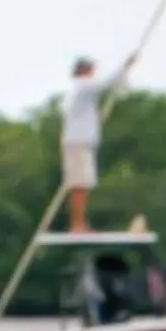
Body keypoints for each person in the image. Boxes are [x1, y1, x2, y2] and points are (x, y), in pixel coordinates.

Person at [60, 51, 137, 233]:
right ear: (83, 70)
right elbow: (107, 83)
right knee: (80, 185)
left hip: (81, 142)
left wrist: (124, 74)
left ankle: (79, 224)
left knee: (83, 184)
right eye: (91, 69)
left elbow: (118, 87)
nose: (94, 71)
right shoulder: (82, 86)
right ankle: (77, 225)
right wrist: (125, 65)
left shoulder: (82, 90)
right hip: (77, 142)